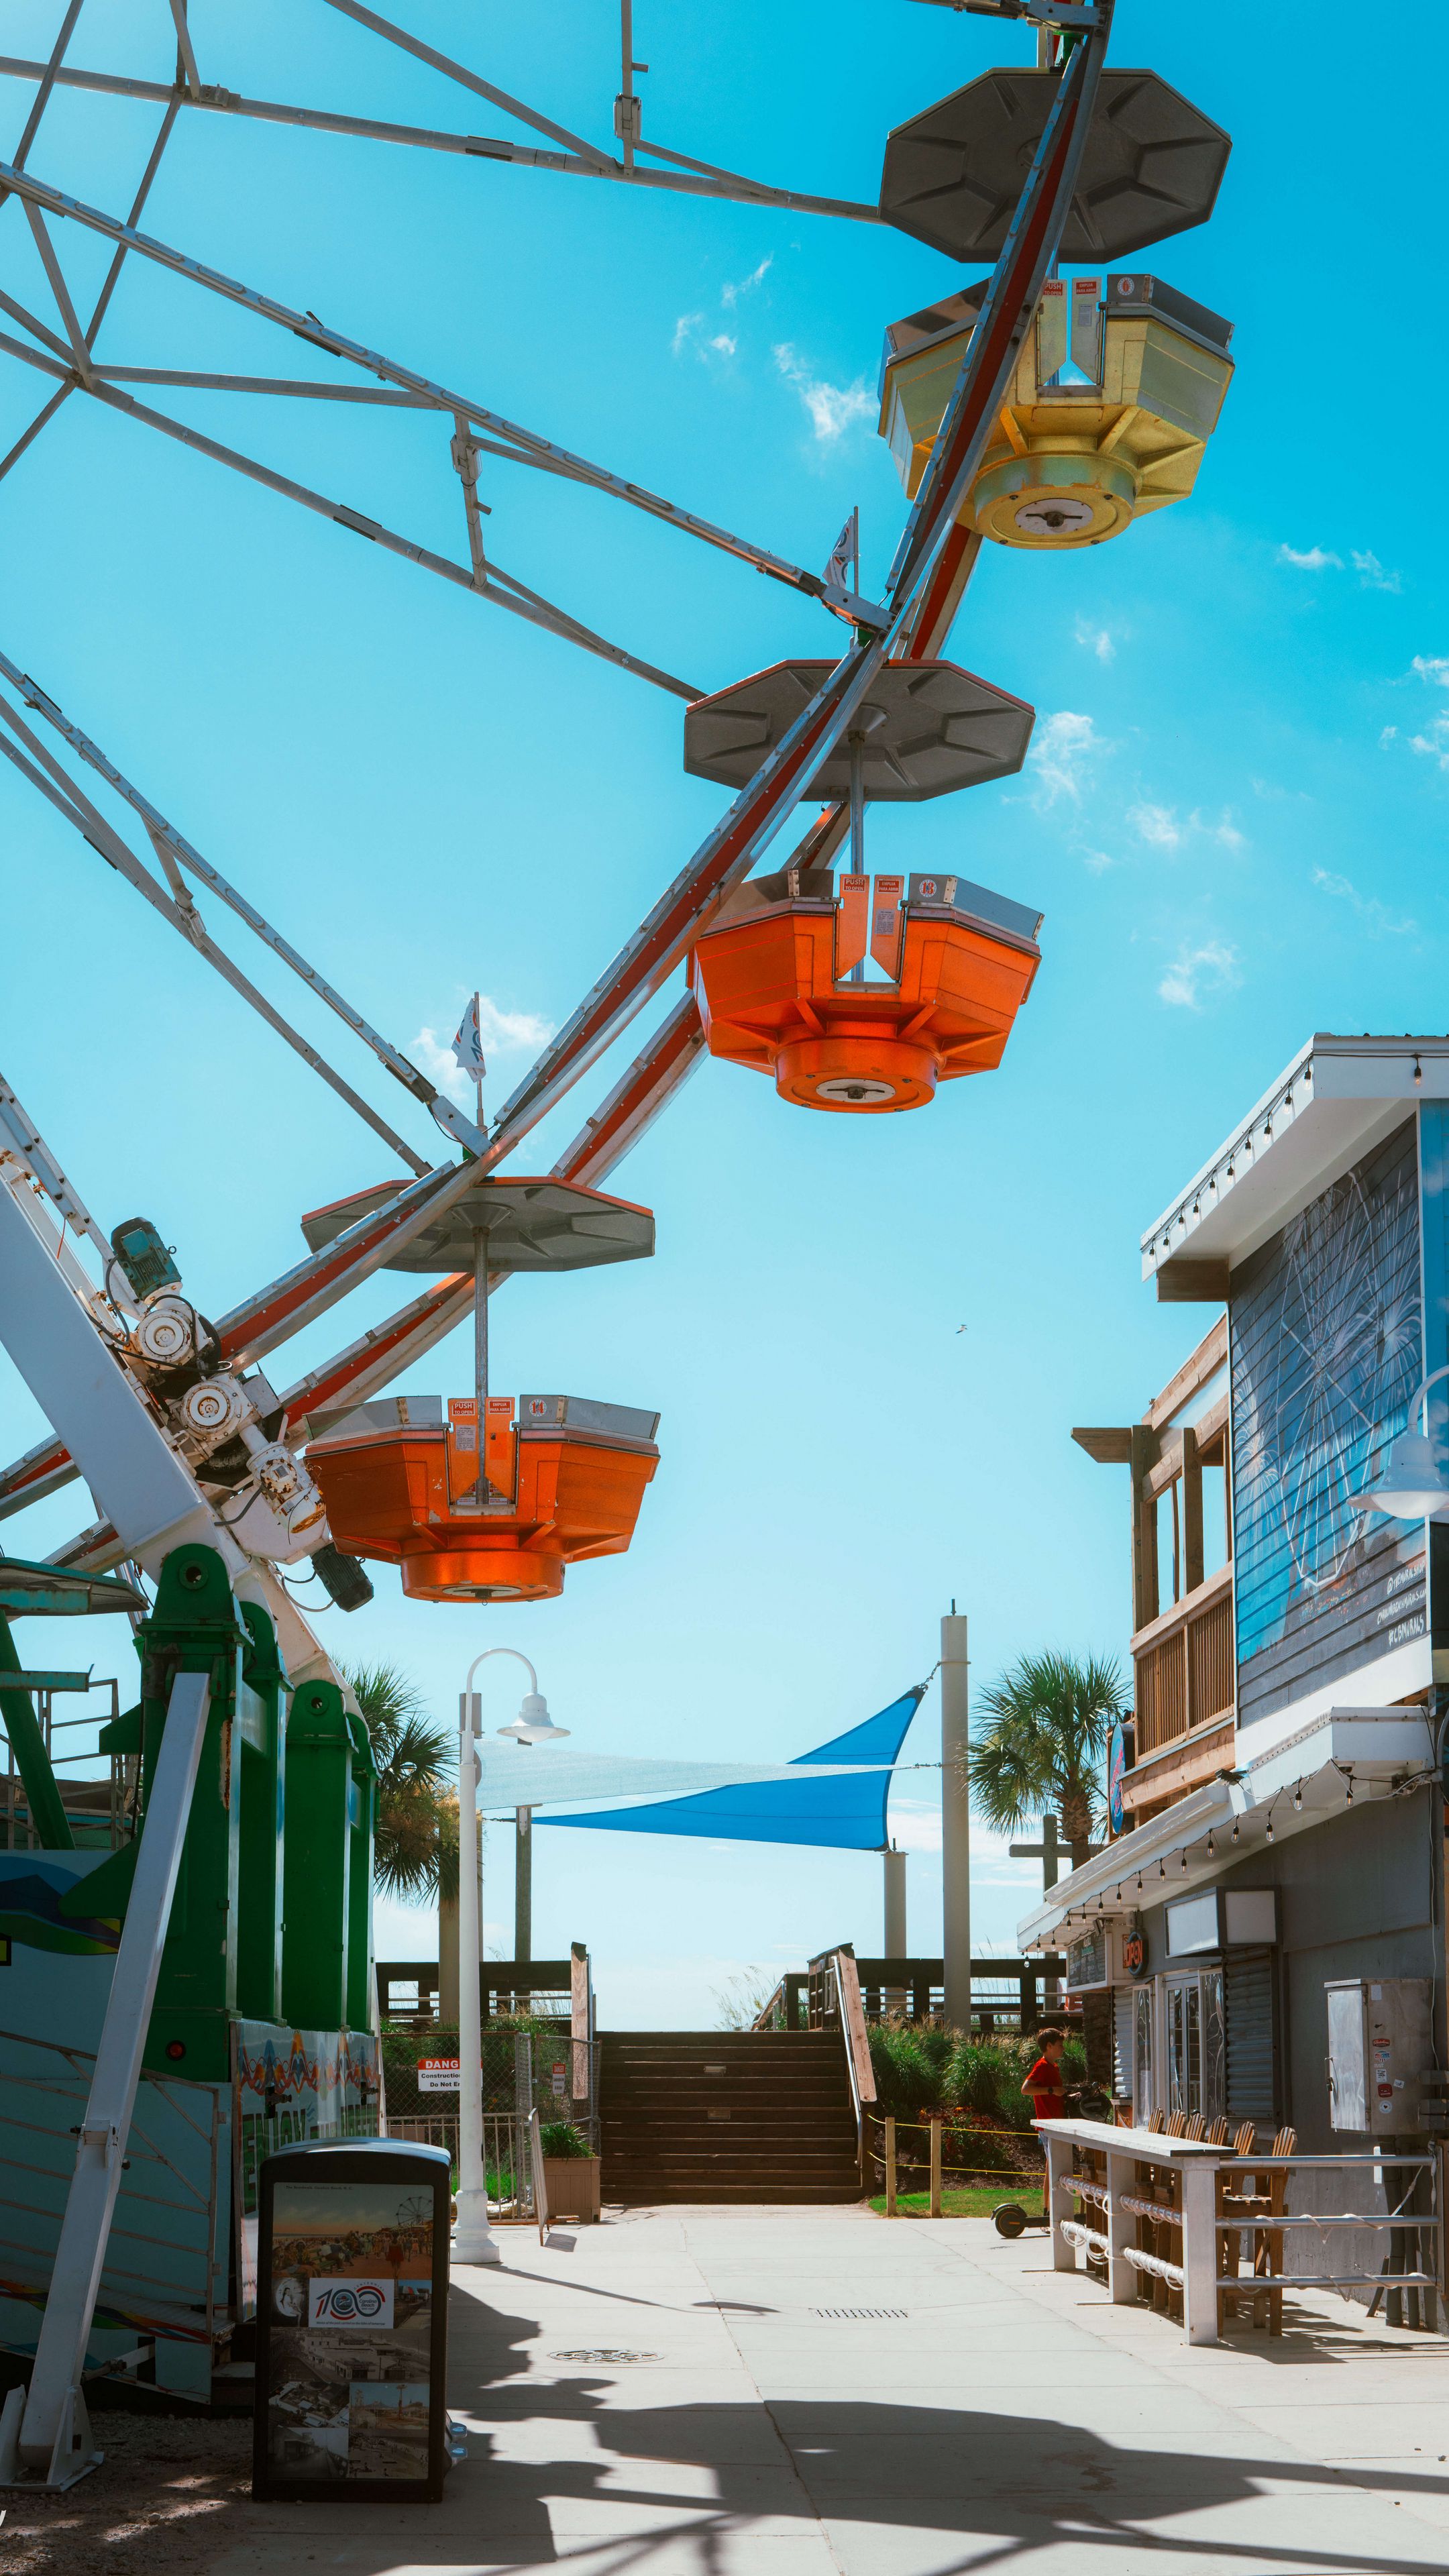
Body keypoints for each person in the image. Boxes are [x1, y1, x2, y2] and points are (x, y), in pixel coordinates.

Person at [1022, 2026, 1067, 2220]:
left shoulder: (1053, 2067)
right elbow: (1026, 2089)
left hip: (1056, 2123)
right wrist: (1051, 2091)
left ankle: (1049, 2210)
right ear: (1048, 2046)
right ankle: (1049, 2211)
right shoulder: (1041, 2066)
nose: (1062, 2049)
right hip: (1048, 2125)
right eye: (1059, 2045)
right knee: (1053, 2167)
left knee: (1052, 2166)